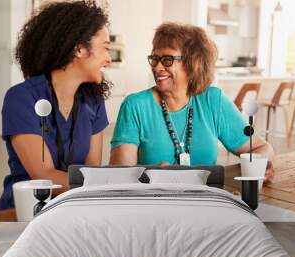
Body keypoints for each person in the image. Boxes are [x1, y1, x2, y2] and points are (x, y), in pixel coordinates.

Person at [110, 22, 274, 182]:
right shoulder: (135, 106)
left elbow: (260, 147)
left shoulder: (213, 101)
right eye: (154, 59)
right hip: (154, 202)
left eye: (167, 60)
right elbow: (120, 175)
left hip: (205, 202)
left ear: (192, 63)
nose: (157, 67)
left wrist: (262, 164)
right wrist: (151, 175)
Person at [0, 1, 112, 211]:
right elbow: (43, 176)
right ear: (79, 49)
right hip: (25, 214)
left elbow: (91, 171)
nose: (108, 59)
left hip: (74, 210)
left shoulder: (94, 101)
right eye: (105, 47)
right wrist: (108, 186)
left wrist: (102, 185)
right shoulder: (22, 98)